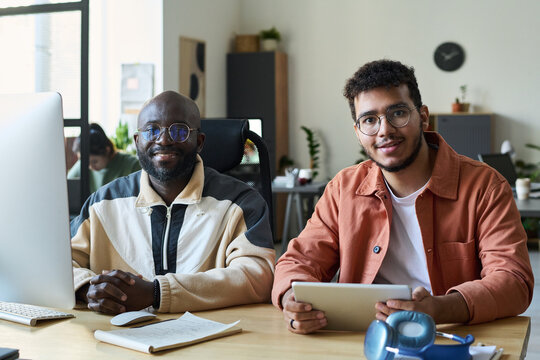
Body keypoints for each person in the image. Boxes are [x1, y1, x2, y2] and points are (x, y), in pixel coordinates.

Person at [272, 60, 534, 334]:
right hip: (363, 338)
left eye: (397, 113)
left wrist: (440, 308)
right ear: (358, 133)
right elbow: (297, 261)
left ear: (423, 117)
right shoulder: (343, 189)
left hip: (450, 338)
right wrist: (292, 300)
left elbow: (513, 280)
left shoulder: (485, 186)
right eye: (369, 120)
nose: (384, 130)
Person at [71, 91, 275, 314]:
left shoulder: (241, 202)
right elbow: (60, 263)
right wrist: (88, 290)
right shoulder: (102, 203)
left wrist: (157, 293)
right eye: (151, 130)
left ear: (199, 142)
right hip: (115, 338)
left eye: (179, 131)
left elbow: (258, 275)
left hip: (214, 339)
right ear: (138, 141)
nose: (164, 140)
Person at [68, 123, 141, 193]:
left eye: (95, 162)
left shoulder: (132, 166)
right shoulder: (84, 164)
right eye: (85, 162)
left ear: (107, 151)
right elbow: (66, 187)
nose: (90, 167)